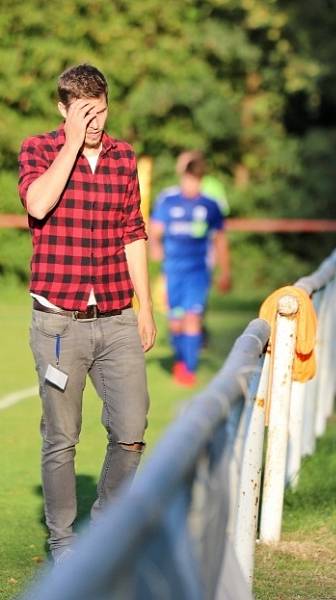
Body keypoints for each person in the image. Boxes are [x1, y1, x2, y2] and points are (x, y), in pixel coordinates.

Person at [18, 64, 156, 563]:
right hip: (58, 323)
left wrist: (145, 308)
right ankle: (64, 544)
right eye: (84, 112)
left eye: (101, 109)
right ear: (64, 109)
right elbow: (37, 204)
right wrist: (71, 145)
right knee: (61, 439)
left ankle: (104, 528)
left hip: (117, 316)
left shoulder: (124, 159)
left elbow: (133, 232)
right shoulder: (38, 149)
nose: (95, 120)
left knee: (132, 431)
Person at [149, 153, 231, 386]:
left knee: (192, 317)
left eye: (195, 181)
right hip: (173, 270)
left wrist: (225, 271)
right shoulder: (168, 200)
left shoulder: (210, 205)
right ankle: (181, 360)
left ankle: (189, 370)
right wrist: (155, 246)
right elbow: (154, 231)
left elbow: (220, 240)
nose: (190, 185)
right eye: (187, 180)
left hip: (198, 270)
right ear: (182, 177)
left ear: (201, 180)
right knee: (175, 321)